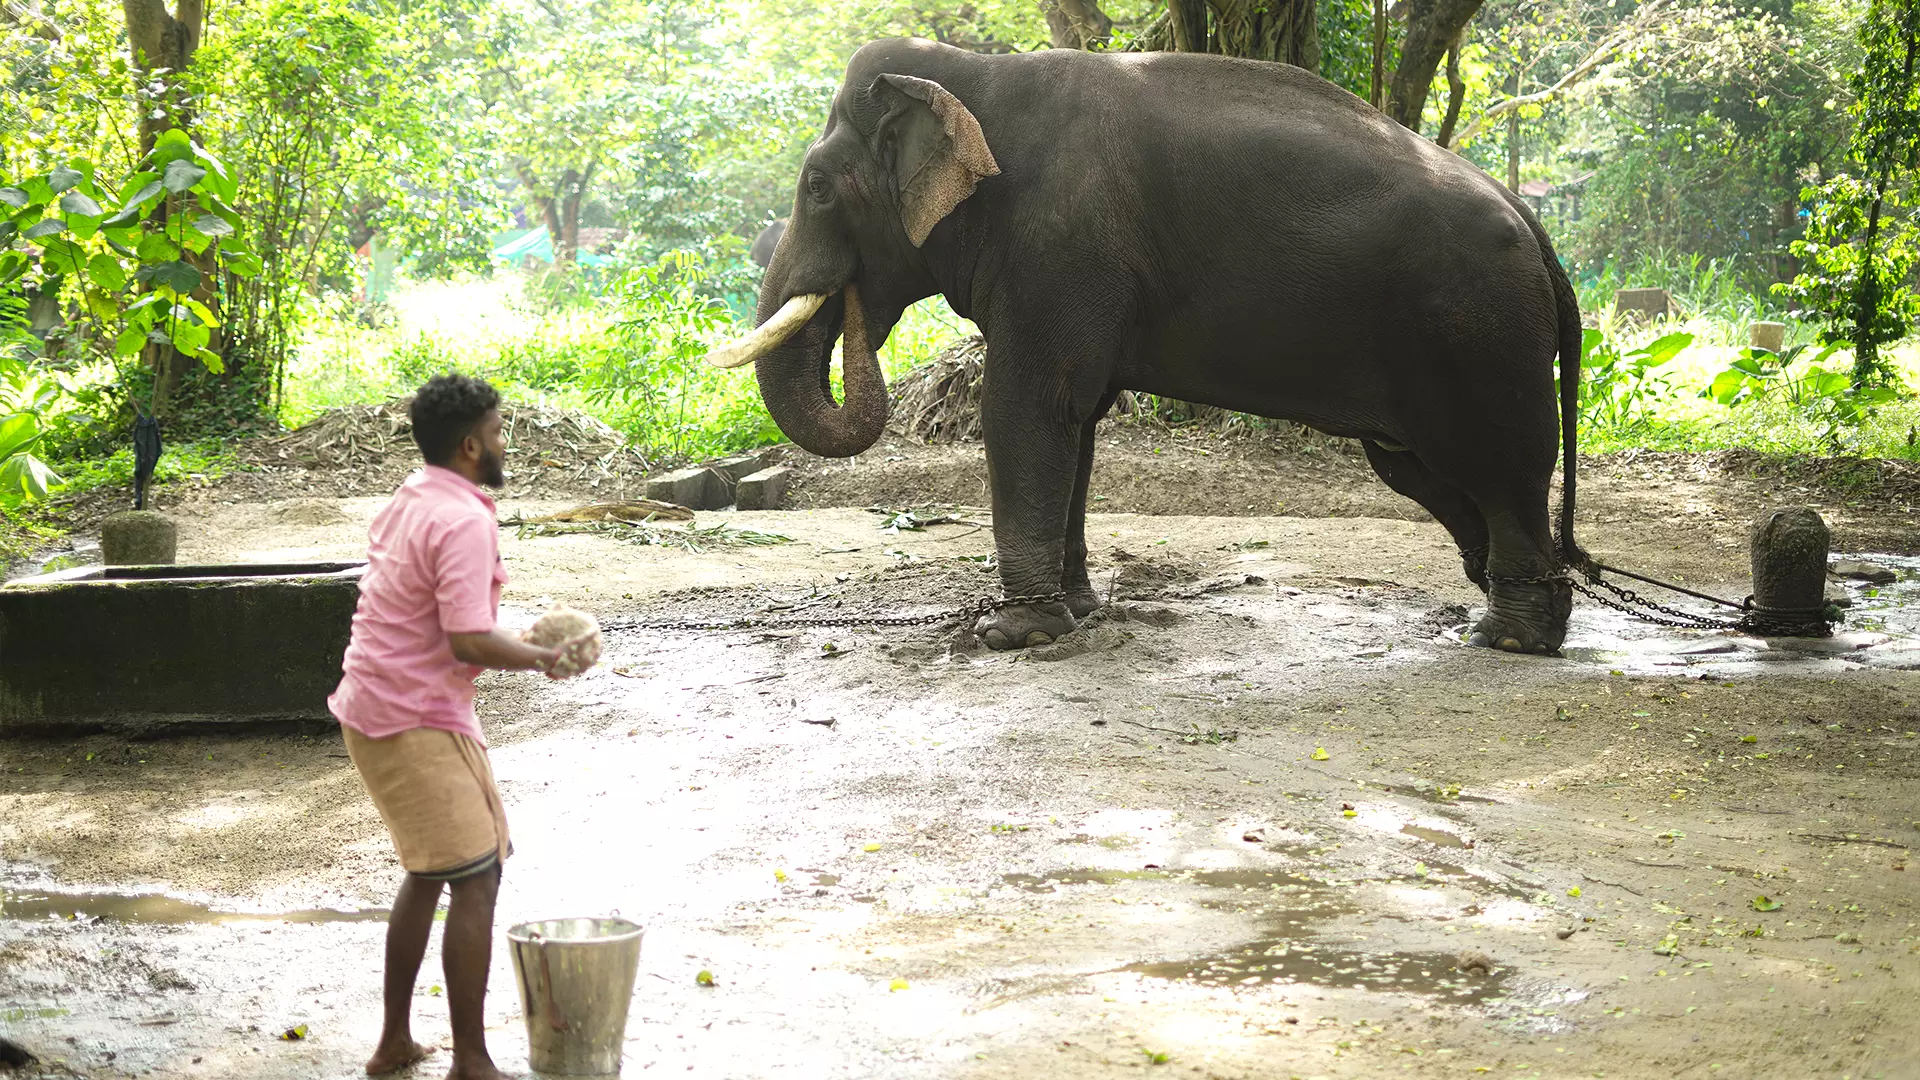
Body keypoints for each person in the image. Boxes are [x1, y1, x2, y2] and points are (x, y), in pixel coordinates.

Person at [330, 374, 594, 1079]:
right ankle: (471, 1061)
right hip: (409, 716)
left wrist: (524, 641)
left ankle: (393, 1045)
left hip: (388, 705)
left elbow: (446, 621)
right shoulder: (465, 518)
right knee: (474, 879)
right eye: (501, 430)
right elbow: (467, 640)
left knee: (435, 871)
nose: (506, 443)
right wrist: (545, 657)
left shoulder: (413, 497)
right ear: (472, 443)